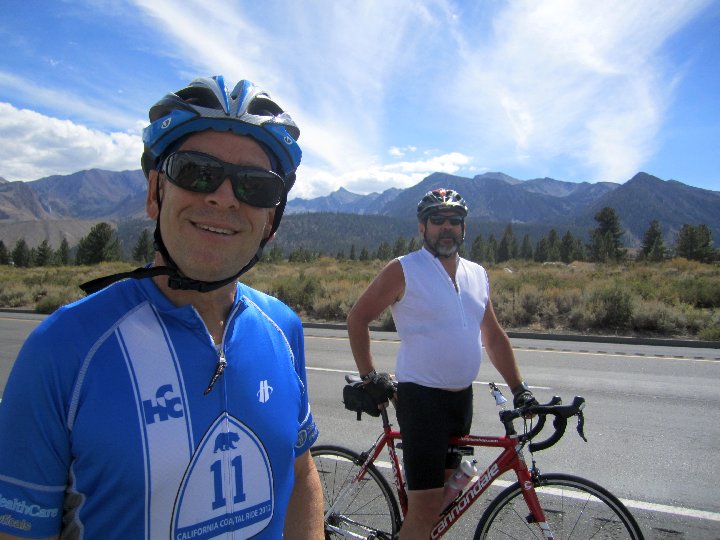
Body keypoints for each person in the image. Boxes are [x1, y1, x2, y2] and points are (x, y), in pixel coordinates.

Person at [0, 76, 324, 539]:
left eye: (255, 186)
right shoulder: (61, 350)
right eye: (197, 171)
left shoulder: (283, 328)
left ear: (271, 218)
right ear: (155, 192)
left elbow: (302, 474)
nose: (224, 196)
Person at [347, 188, 537, 539]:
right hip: (421, 401)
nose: (446, 227)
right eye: (437, 220)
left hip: (460, 401)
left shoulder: (477, 274)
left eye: (454, 220)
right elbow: (358, 318)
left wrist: (520, 389)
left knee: (448, 500)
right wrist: (370, 376)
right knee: (425, 511)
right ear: (423, 226)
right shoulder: (404, 269)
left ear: (464, 228)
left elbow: (493, 337)